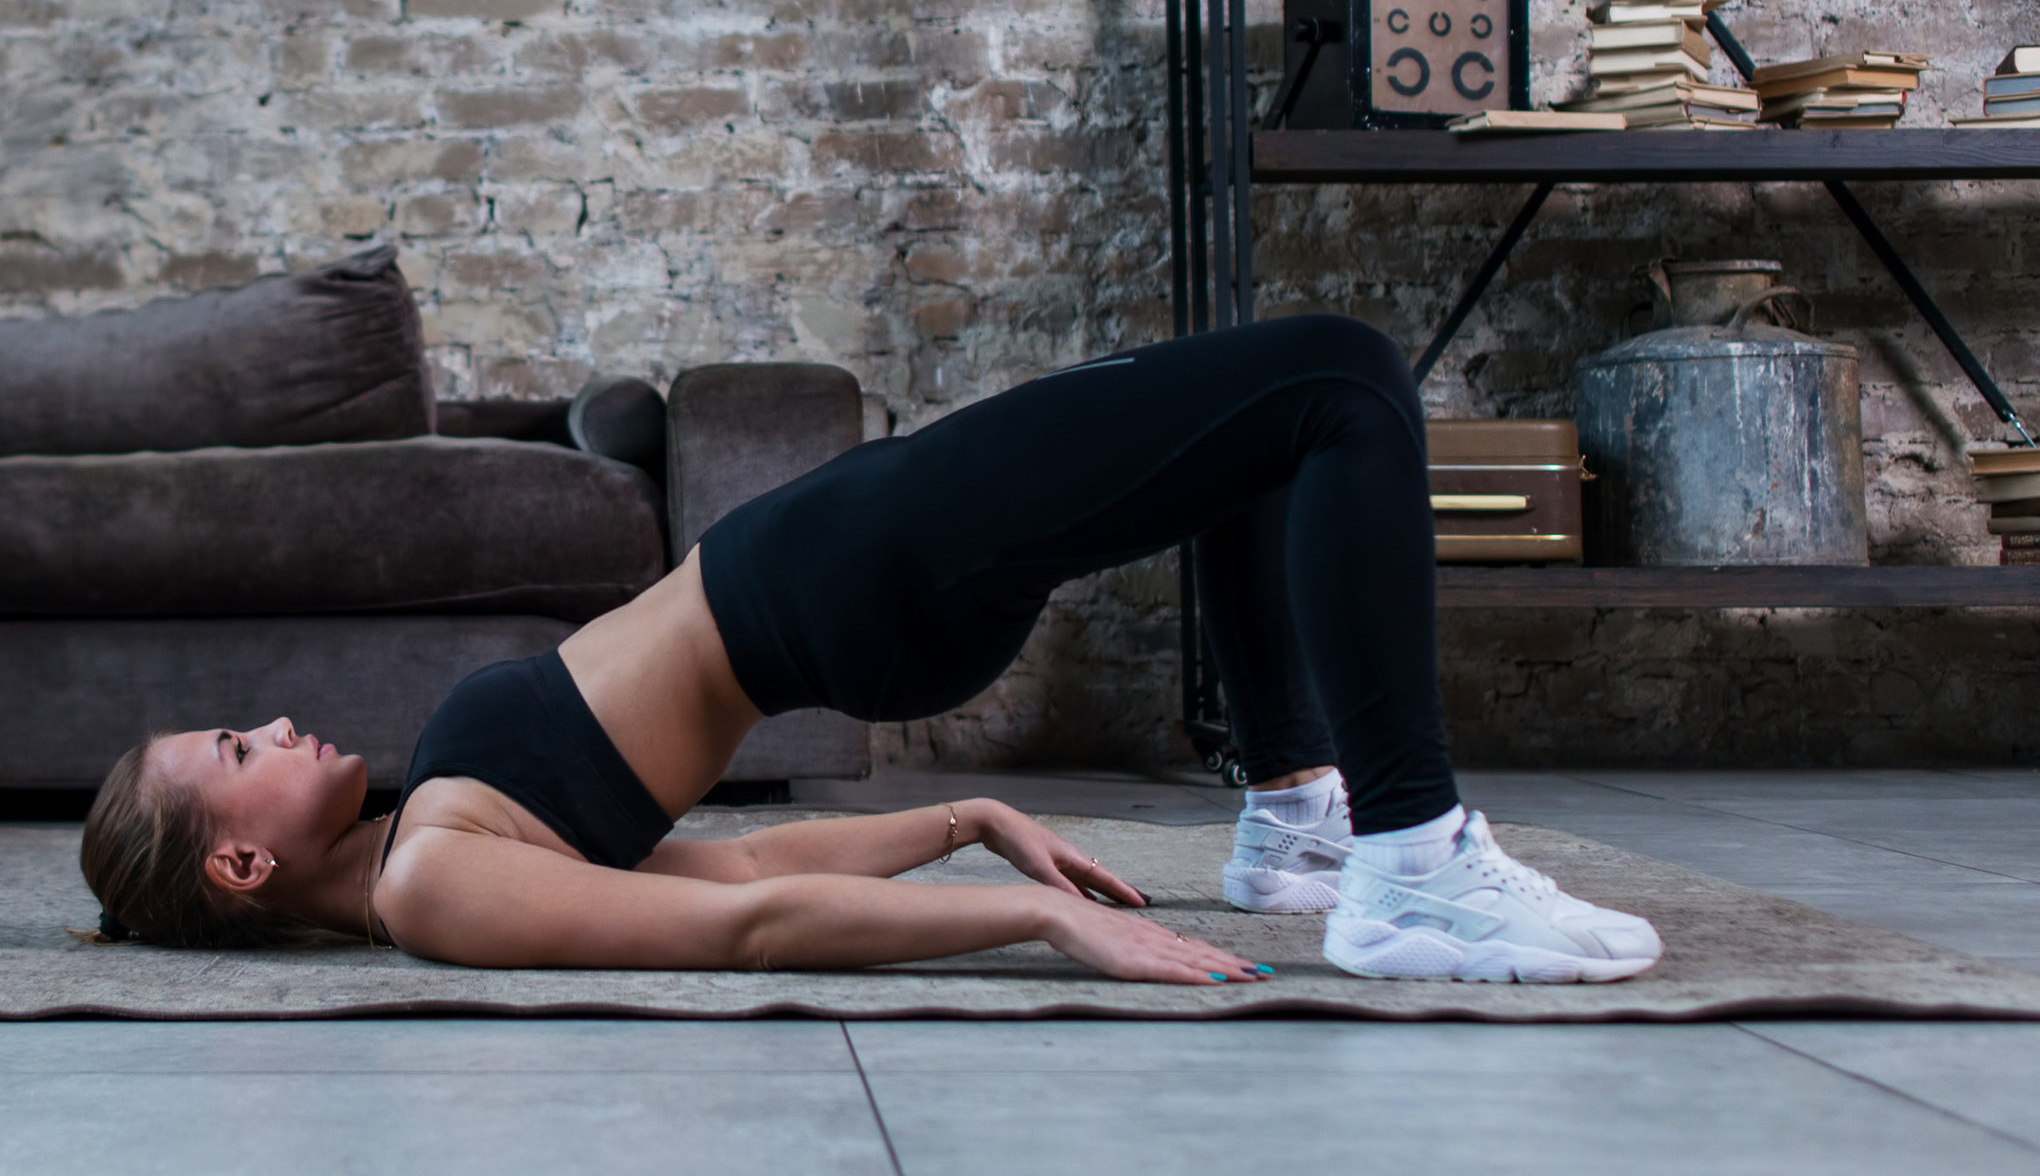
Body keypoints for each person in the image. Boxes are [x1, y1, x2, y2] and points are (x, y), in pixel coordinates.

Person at [81, 316, 1661, 985]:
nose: (273, 724)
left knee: (1258, 438)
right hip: (855, 575)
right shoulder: (431, 883)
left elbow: (718, 870)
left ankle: (1305, 819)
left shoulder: (437, 833)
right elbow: (752, 932)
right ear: (234, 869)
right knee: (1338, 384)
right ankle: (1407, 854)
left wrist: (970, 827)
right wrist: (1036, 926)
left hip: (846, 570)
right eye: (236, 754)